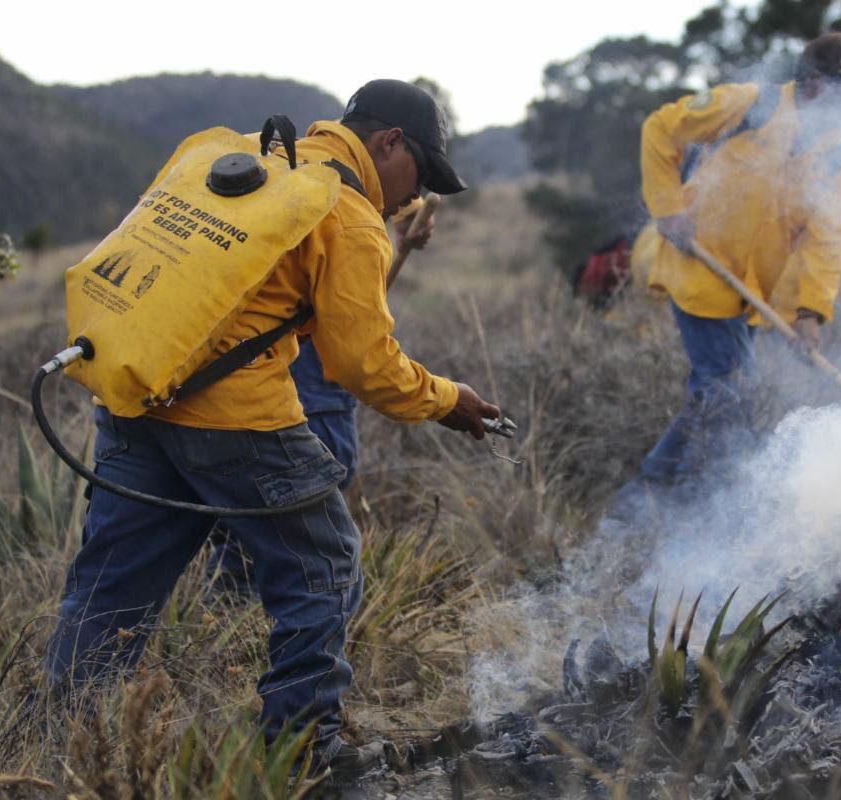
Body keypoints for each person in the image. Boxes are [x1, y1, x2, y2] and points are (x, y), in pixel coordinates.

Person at [44, 79, 500, 777]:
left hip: (137, 396)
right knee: (323, 564)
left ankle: (58, 744)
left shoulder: (251, 161)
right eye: (423, 175)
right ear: (388, 143)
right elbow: (361, 365)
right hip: (236, 421)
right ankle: (302, 758)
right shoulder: (346, 213)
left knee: (112, 583)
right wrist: (447, 401)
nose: (415, 197)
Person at [637, 32, 841, 483]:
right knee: (727, 386)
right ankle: (691, 498)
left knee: (719, 390)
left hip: (753, 291)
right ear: (816, 85)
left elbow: (830, 236)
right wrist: (668, 210)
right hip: (700, 267)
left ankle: (653, 489)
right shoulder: (747, 105)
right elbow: (659, 130)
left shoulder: (840, 153)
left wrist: (810, 312)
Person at [207, 204, 435, 591]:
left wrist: (406, 209)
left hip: (274, 308)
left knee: (275, 471)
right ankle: (259, 597)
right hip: (290, 311)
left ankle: (241, 605)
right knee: (309, 470)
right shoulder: (311, 163)